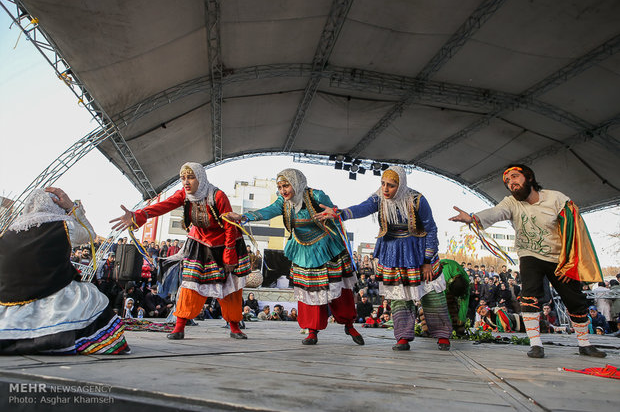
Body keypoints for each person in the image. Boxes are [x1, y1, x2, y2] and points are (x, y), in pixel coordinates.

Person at [449, 164, 606, 358]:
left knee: (574, 298)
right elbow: (496, 212)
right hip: (530, 255)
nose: (511, 183)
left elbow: (573, 230)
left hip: (559, 258)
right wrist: (473, 218)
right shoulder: (511, 203)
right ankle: (536, 344)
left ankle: (585, 344)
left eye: (515, 177)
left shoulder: (556, 199)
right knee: (530, 294)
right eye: (507, 181)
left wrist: (570, 262)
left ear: (529, 177)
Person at [111, 162, 251, 340]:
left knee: (229, 288)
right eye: (183, 178)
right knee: (190, 284)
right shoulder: (184, 195)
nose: (186, 182)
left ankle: (234, 327)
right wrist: (139, 215)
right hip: (199, 243)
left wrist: (229, 252)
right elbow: (164, 205)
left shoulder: (218, 195)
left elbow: (230, 226)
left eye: (190, 177)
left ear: (200, 178)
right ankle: (179, 326)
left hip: (226, 244)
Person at [318, 166, 452, 351]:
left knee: (431, 293)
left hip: (418, 253)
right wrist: (340, 213)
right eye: (383, 184)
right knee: (398, 296)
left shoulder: (417, 200)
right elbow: (362, 208)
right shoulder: (379, 198)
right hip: (392, 253)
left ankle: (443, 336)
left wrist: (428, 261)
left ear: (401, 184)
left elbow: (431, 229)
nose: (385, 189)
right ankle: (403, 337)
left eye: (391, 185)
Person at [227, 168, 363, 346]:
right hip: (303, 251)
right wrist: (243, 217)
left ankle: (349, 325)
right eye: (280, 186)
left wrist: (335, 213)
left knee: (338, 291)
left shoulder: (316, 196)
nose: (283, 190)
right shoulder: (283, 203)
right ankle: (312, 331)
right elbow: (266, 212)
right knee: (309, 292)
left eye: (286, 185)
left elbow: (334, 213)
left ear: (297, 184)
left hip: (326, 248)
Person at [0, 188, 130, 355]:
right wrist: (72, 207)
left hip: (9, 298)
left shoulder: (9, 232)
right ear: (56, 205)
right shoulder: (64, 224)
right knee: (91, 296)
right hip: (49, 290)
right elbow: (90, 234)